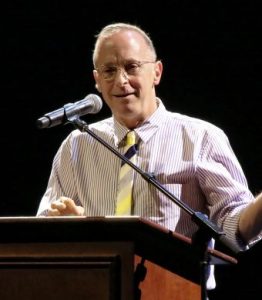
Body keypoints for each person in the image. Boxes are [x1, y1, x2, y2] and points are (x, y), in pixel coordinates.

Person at [37, 22, 262, 251]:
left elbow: (236, 230)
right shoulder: (77, 145)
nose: (121, 81)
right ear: (97, 79)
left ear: (157, 72)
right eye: (109, 71)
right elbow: (42, 233)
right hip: (96, 284)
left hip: (174, 285)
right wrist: (70, 228)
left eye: (131, 66)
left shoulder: (201, 139)